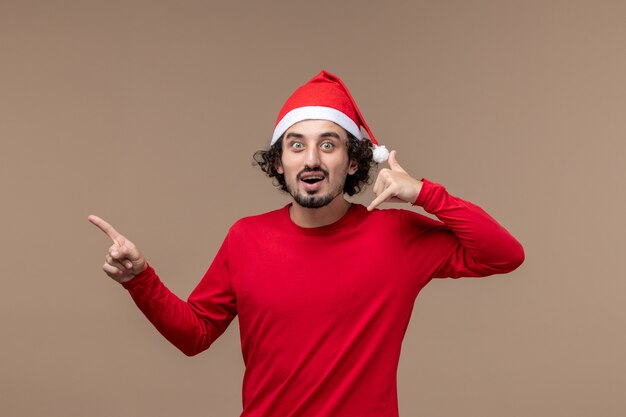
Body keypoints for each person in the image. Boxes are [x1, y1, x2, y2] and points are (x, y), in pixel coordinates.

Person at [89, 70, 524, 417]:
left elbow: (504, 254)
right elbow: (195, 334)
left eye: (328, 144)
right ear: (280, 163)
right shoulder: (246, 238)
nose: (311, 158)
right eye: (296, 145)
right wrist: (140, 281)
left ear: (353, 160)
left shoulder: (395, 235)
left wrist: (425, 193)